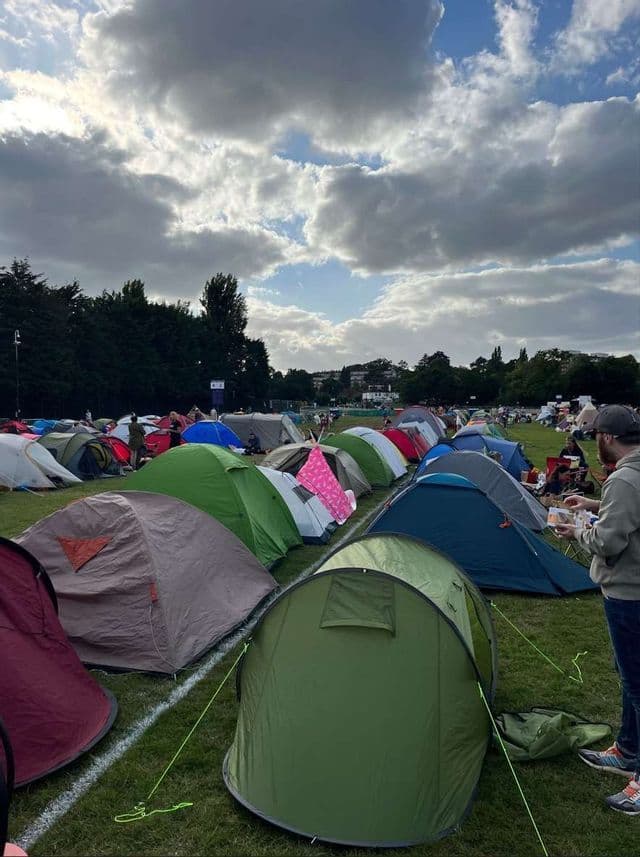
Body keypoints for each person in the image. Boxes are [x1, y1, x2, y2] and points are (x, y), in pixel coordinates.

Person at [556, 405, 640, 814]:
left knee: (638, 683)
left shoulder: (624, 479)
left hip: (630, 592)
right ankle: (627, 751)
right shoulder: (634, 474)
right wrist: (592, 504)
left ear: (605, 437)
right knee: (630, 678)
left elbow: (609, 543)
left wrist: (578, 529)